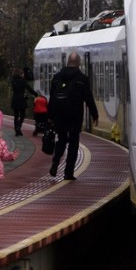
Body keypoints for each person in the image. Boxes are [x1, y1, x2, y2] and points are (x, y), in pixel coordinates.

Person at [48, 52, 99, 180]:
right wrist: (95, 115)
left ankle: (55, 163)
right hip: (75, 116)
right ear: (78, 63)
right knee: (73, 143)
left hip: (59, 115)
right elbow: (88, 98)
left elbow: (52, 97)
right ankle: (68, 172)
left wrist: (50, 115)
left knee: (61, 140)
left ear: (68, 62)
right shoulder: (82, 78)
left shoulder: (57, 77)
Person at [10, 67, 36, 136]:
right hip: (21, 99)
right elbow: (29, 89)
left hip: (15, 98)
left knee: (16, 115)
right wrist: (36, 94)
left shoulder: (13, 81)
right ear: (20, 74)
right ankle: (19, 126)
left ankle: (17, 130)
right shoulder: (22, 81)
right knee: (22, 115)